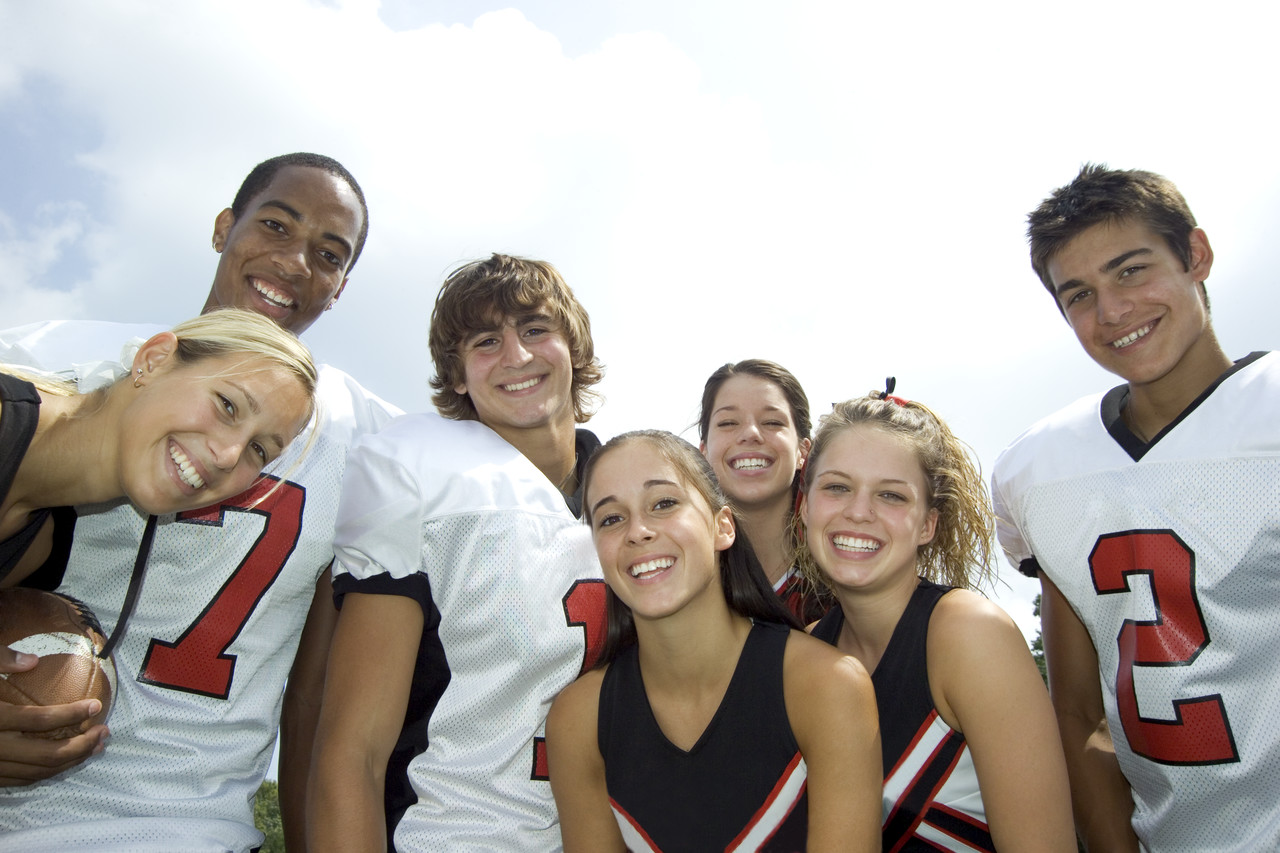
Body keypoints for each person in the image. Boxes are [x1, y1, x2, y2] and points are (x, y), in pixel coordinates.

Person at [0, 153, 398, 853]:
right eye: (276, 224)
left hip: (191, 822)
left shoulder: (375, 441)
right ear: (224, 227)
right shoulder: (52, 358)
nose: (296, 261)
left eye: (329, 255)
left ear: (340, 288)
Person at [992, 164, 1280, 852]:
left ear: (1196, 255)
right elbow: (1079, 710)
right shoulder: (1043, 466)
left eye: (1130, 271)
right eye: (1079, 294)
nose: (1112, 311)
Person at [309, 254, 608, 850]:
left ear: (573, 347)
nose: (517, 356)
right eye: (485, 341)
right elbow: (354, 748)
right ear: (456, 375)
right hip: (446, 833)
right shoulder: (421, 467)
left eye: (534, 330)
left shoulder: (630, 488)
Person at [547, 430, 882, 852]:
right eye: (611, 518)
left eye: (664, 503)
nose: (638, 531)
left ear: (723, 527)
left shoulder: (825, 685)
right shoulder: (580, 719)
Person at [800, 393, 1074, 851]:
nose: (859, 511)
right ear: (805, 506)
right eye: (837, 487)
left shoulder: (969, 633)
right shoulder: (807, 654)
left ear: (928, 525)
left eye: (890, 495)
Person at [1, 309, 315, 586]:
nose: (229, 456)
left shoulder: (37, 550)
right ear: (155, 360)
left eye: (258, 450)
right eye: (228, 406)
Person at [698, 358, 829, 622]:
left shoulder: (842, 575)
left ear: (803, 451)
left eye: (771, 422)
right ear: (703, 451)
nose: (751, 433)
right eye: (728, 423)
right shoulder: (680, 573)